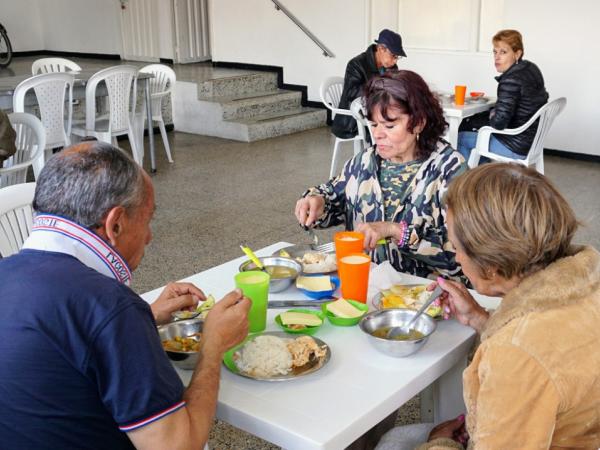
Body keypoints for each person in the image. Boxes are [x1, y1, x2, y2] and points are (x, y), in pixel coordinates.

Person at [0, 141, 251, 449]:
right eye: (148, 220)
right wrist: (213, 346)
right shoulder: (109, 305)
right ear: (115, 223)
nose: (149, 236)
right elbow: (178, 445)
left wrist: (145, 316)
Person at [376, 163, 600, 450]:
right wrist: (480, 318)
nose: (456, 259)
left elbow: (526, 355)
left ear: (492, 266)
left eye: (456, 248)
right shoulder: (586, 283)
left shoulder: (515, 355)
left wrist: (440, 443)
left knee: (392, 441)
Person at [296, 70, 467, 281]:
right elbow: (333, 196)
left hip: (424, 296)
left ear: (419, 122)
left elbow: (465, 253)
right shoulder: (364, 162)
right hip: (365, 288)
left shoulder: (449, 169)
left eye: (389, 125)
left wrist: (397, 231)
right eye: (374, 124)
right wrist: (318, 202)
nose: (377, 134)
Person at [457, 29, 549, 161]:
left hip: (514, 145)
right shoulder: (530, 68)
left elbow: (499, 123)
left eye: (503, 52)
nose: (497, 57)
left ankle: (471, 180)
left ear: (517, 54)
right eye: (495, 52)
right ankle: (484, 177)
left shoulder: (511, 79)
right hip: (531, 141)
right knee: (474, 125)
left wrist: (493, 113)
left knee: (461, 137)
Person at [332, 28, 406, 139]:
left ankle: (393, 153)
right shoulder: (356, 64)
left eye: (397, 57)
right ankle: (382, 154)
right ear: (381, 49)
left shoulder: (391, 66)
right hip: (353, 119)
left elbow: (394, 88)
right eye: (394, 56)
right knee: (389, 127)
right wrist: (380, 85)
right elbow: (352, 93)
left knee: (401, 122)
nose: (395, 61)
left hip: (378, 111)